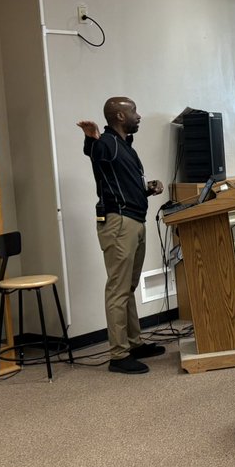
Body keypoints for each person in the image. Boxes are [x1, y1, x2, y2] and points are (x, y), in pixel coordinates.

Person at [78, 97, 167, 374]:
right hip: (119, 224)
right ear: (119, 116)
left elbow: (121, 183)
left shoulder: (125, 147)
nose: (138, 116)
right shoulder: (105, 143)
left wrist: (147, 189)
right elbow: (95, 156)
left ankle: (133, 342)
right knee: (118, 289)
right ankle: (118, 355)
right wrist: (91, 139)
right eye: (133, 112)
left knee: (127, 287)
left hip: (134, 220)